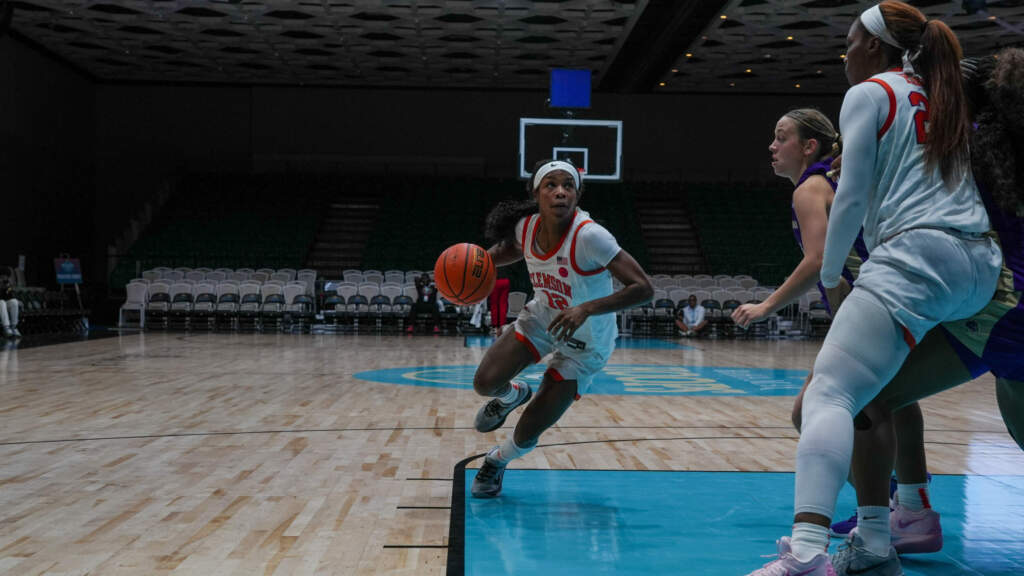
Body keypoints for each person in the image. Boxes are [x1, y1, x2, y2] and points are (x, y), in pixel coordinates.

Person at [746, 3, 1002, 575]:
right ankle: (886, 531)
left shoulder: (870, 92)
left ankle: (808, 554)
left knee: (828, 395)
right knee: (879, 397)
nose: (845, 51)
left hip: (917, 254)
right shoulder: (944, 92)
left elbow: (854, 193)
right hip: (982, 267)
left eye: (849, 40)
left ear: (872, 46)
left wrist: (834, 273)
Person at [830, 48, 1024, 575]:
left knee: (863, 396)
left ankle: (878, 538)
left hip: (1000, 313)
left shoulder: (967, 148)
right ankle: (910, 513)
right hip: (1006, 317)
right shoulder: (1001, 144)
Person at [470, 159, 653, 498]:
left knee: (526, 434)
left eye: (568, 186)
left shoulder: (591, 236)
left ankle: (496, 460)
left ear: (577, 195)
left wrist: (586, 308)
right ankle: (513, 395)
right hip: (543, 319)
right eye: (551, 185)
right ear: (536, 193)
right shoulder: (526, 228)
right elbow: (502, 253)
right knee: (484, 383)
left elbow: (643, 287)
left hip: (587, 344)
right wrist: (472, 268)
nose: (560, 192)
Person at [0, 267, 21, 339]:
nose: (4, 278)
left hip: (3, 304)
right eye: (2, 276)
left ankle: (13, 327)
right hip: (1, 303)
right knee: (1, 302)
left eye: (6, 277)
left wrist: (8, 288)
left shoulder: (7, 284)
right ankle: (6, 327)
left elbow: (10, 296)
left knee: (14, 302)